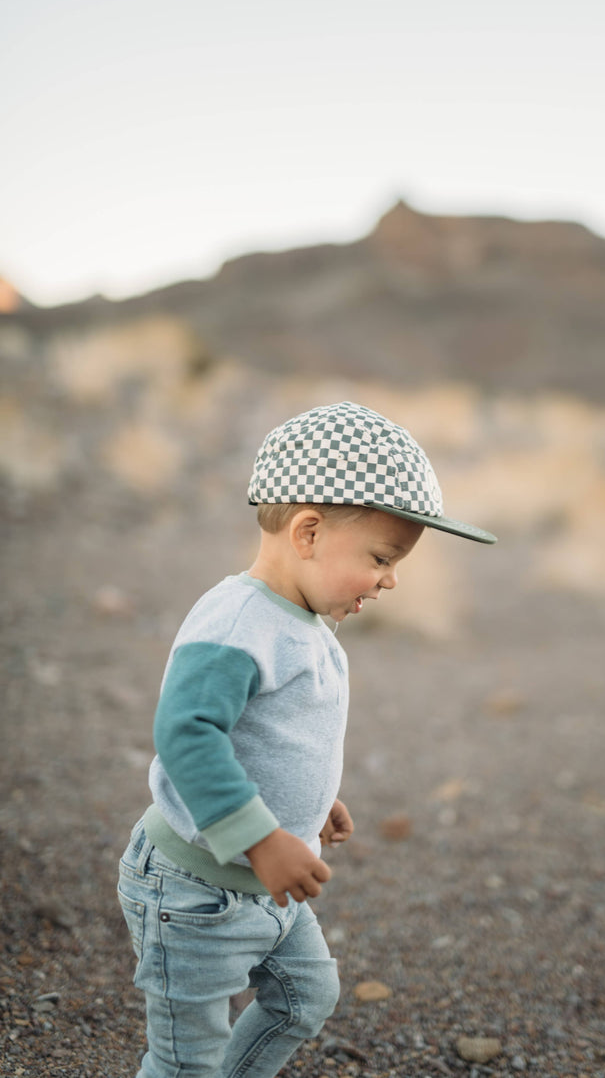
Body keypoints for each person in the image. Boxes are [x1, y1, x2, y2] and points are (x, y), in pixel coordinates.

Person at [117, 401, 496, 1078]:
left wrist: (312, 799)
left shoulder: (307, 620)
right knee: (186, 1058)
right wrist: (264, 837)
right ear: (309, 532)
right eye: (382, 557)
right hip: (194, 891)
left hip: (267, 883)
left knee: (305, 998)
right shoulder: (237, 623)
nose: (392, 578)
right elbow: (187, 732)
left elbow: (275, 731)